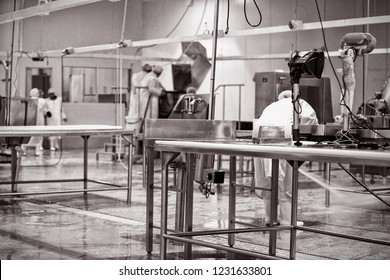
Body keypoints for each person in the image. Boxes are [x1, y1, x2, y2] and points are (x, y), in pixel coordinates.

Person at [253, 90, 318, 228]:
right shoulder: (299, 103)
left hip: (259, 137)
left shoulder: (272, 105)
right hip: (281, 136)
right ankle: (287, 221)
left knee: (267, 180)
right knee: (285, 181)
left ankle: (270, 218)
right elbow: (311, 123)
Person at [126, 64, 152, 131]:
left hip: (135, 96)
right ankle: (141, 128)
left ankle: (135, 129)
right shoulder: (148, 76)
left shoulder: (135, 75)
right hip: (143, 96)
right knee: (144, 113)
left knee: (134, 111)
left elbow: (134, 86)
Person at [21, 88, 46, 156]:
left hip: (29, 120)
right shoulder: (42, 101)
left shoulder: (28, 100)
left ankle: (24, 151)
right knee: (38, 135)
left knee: (27, 135)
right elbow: (45, 111)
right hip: (39, 121)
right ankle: (37, 151)